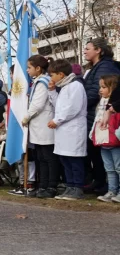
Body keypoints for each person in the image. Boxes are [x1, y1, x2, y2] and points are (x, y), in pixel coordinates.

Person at [82, 38, 120, 195]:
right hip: (93, 114)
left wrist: (81, 103)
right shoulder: (93, 67)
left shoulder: (106, 66)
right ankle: (101, 183)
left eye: (88, 48)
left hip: (102, 114)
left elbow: (99, 91)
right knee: (96, 152)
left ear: (98, 50)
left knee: (108, 157)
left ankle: (106, 185)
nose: (85, 51)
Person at [19, 55, 58, 198]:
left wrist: (26, 117)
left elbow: (37, 105)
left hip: (45, 125)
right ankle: (42, 185)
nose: (27, 70)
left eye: (29, 67)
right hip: (38, 127)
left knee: (48, 157)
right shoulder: (37, 82)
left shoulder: (43, 82)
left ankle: (51, 186)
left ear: (38, 68)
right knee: (41, 157)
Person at [48, 59, 87, 201]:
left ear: (61, 74)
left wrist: (57, 121)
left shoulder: (76, 86)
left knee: (74, 160)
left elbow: (73, 108)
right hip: (63, 131)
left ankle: (77, 187)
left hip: (73, 129)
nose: (51, 78)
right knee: (65, 159)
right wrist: (52, 91)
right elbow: (58, 105)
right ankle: (69, 186)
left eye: (52, 75)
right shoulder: (64, 87)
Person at [92, 75, 120, 203]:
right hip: (103, 141)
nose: (100, 90)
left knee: (118, 167)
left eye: (103, 87)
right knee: (109, 168)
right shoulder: (101, 104)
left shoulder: (115, 106)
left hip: (115, 142)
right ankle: (112, 191)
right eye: (100, 87)